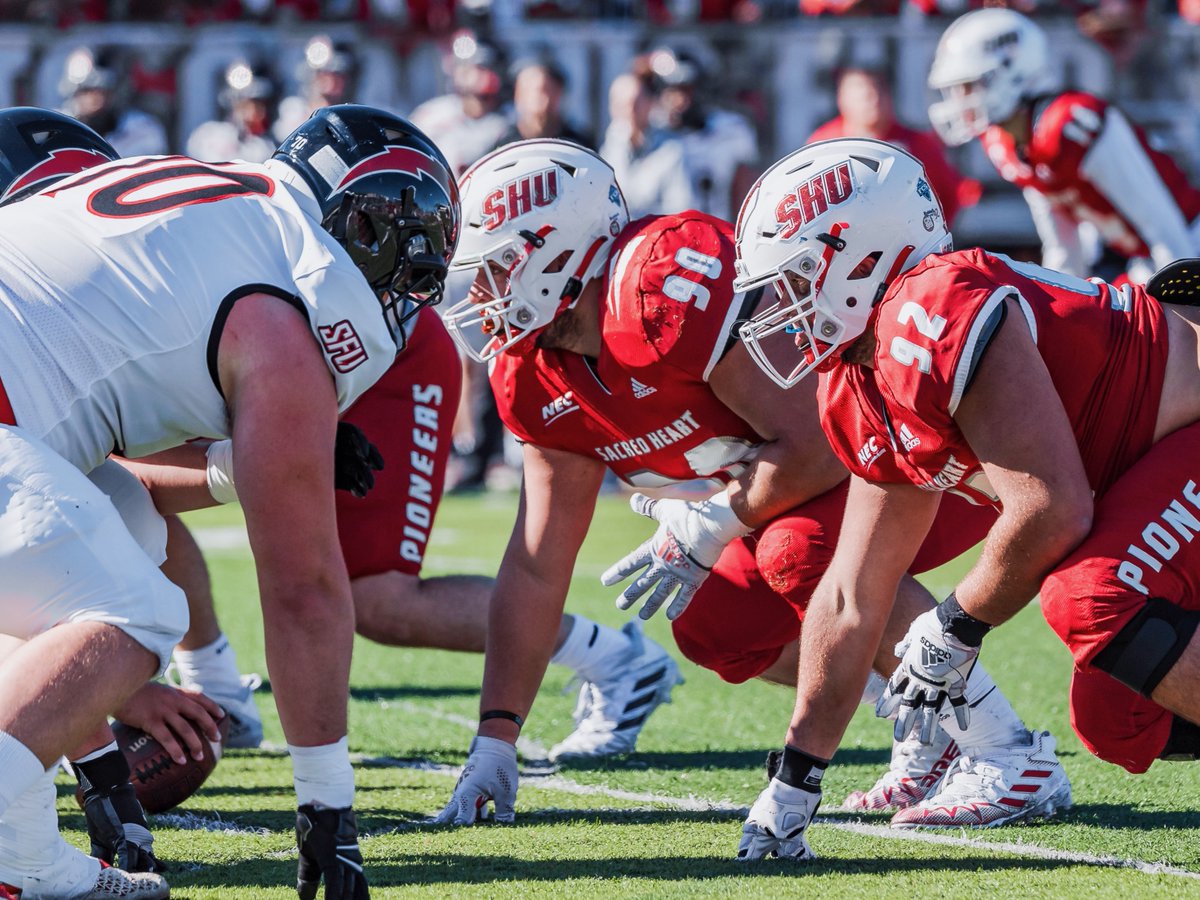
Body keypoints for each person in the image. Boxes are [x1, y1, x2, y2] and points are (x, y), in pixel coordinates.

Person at [435, 139, 1054, 826]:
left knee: (796, 553)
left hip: (920, 455)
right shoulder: (531, 375)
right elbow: (536, 566)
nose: (480, 294)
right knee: (714, 624)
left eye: (493, 269)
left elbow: (824, 444)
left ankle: (1007, 749)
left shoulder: (657, 290)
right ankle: (927, 728)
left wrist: (711, 522)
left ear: (552, 252)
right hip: (827, 483)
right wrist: (497, 736)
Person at [0, 103, 458, 897]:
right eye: (406, 251)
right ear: (355, 221)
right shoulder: (277, 311)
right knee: (142, 611)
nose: (407, 289)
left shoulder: (222, 207)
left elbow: (97, 467)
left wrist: (235, 461)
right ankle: (11, 838)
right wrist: (327, 810)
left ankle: (25, 839)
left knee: (124, 528)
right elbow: (305, 591)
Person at [731, 136, 1200, 860]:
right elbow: (853, 595)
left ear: (859, 257)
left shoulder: (930, 308)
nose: (783, 310)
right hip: (1159, 459)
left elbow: (1053, 510)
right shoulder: (861, 379)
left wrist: (951, 627)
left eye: (796, 280)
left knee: (1091, 597)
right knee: (1115, 716)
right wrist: (796, 777)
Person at [927, 7, 1200, 283]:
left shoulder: (1072, 123)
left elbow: (1162, 224)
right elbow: (1064, 249)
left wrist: (1182, 296)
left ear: (1012, 71)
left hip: (1187, 245)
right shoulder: (1004, 144)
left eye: (969, 85)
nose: (961, 100)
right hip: (1146, 257)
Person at [809, 67, 980, 227]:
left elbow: (948, 196)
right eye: (864, 95)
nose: (873, 101)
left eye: (878, 92)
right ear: (842, 99)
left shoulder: (919, 145)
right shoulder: (824, 146)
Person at [650, 47, 759, 223]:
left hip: (716, 235)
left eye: (686, 90)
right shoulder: (649, 135)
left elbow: (745, 189)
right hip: (662, 238)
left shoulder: (730, 130)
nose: (680, 100)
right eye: (673, 91)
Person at [599, 71, 695, 219]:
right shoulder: (607, 151)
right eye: (621, 104)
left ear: (650, 104)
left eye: (636, 102)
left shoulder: (671, 150)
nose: (629, 110)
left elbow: (681, 210)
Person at [60, 47, 168, 157]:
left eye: (103, 90)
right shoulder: (59, 130)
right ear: (73, 92)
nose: (96, 98)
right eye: (87, 90)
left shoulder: (143, 130)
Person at [187, 60, 277, 164]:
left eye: (261, 105)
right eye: (248, 105)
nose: (259, 111)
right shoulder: (207, 135)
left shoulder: (265, 146)